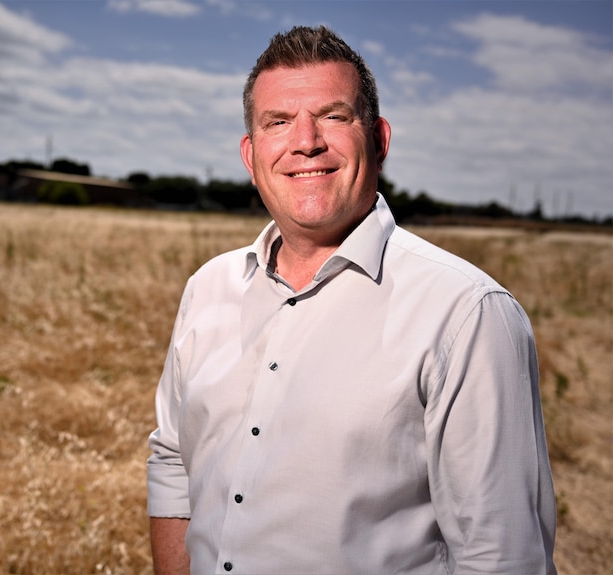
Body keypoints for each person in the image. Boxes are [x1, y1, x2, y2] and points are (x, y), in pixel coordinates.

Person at [146, 25, 557, 574]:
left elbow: (501, 556)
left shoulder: (466, 314)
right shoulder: (208, 288)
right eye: (278, 122)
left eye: (334, 116)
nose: (306, 141)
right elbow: (174, 463)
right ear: (251, 154)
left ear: (380, 140)